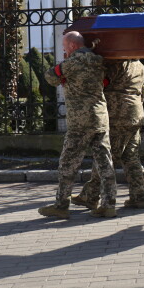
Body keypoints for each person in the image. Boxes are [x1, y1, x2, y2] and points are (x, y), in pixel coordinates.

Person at [39, 31, 116, 219]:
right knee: (105, 163)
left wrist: (64, 77)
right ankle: (109, 205)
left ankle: (61, 205)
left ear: (73, 46)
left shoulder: (73, 62)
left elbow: (50, 76)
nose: (64, 51)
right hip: (100, 118)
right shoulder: (99, 61)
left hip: (80, 121)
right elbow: (106, 82)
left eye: (65, 47)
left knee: (68, 164)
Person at [72, 59, 144, 210]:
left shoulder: (117, 64)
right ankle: (139, 196)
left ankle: (90, 195)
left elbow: (102, 85)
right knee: (130, 157)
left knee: (106, 157)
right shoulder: (139, 65)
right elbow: (143, 91)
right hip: (135, 114)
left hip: (118, 114)